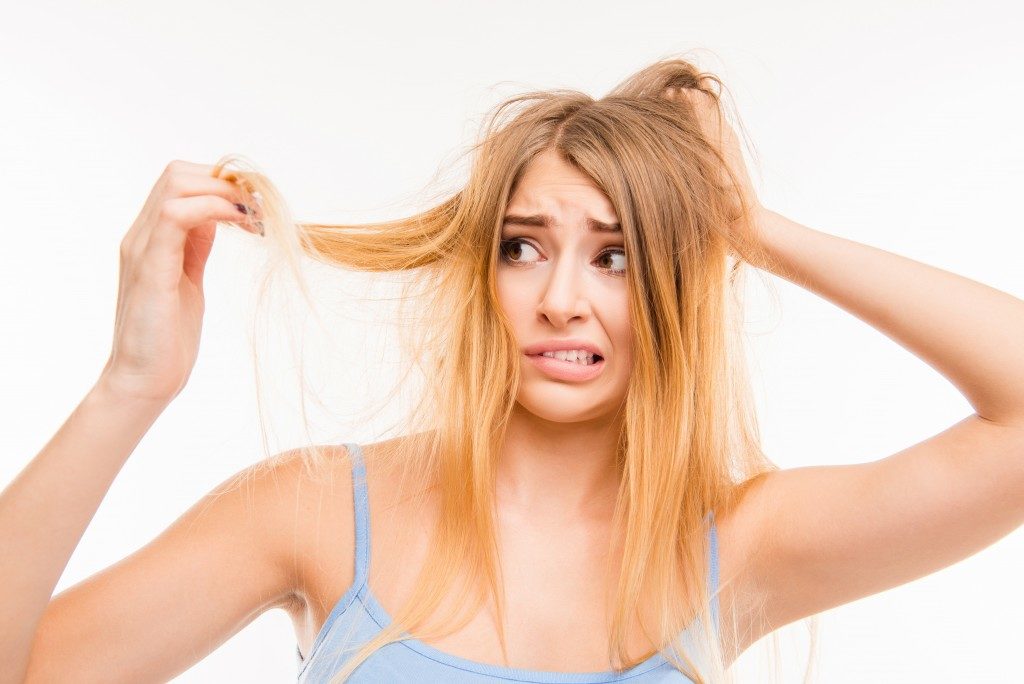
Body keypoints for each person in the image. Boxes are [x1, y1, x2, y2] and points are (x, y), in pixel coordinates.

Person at [4, 56, 1024, 684]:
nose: (561, 298)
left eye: (617, 256)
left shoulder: (738, 544)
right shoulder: (315, 511)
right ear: (478, 272)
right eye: (522, 246)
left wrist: (747, 227)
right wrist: (129, 385)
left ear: (678, 284)